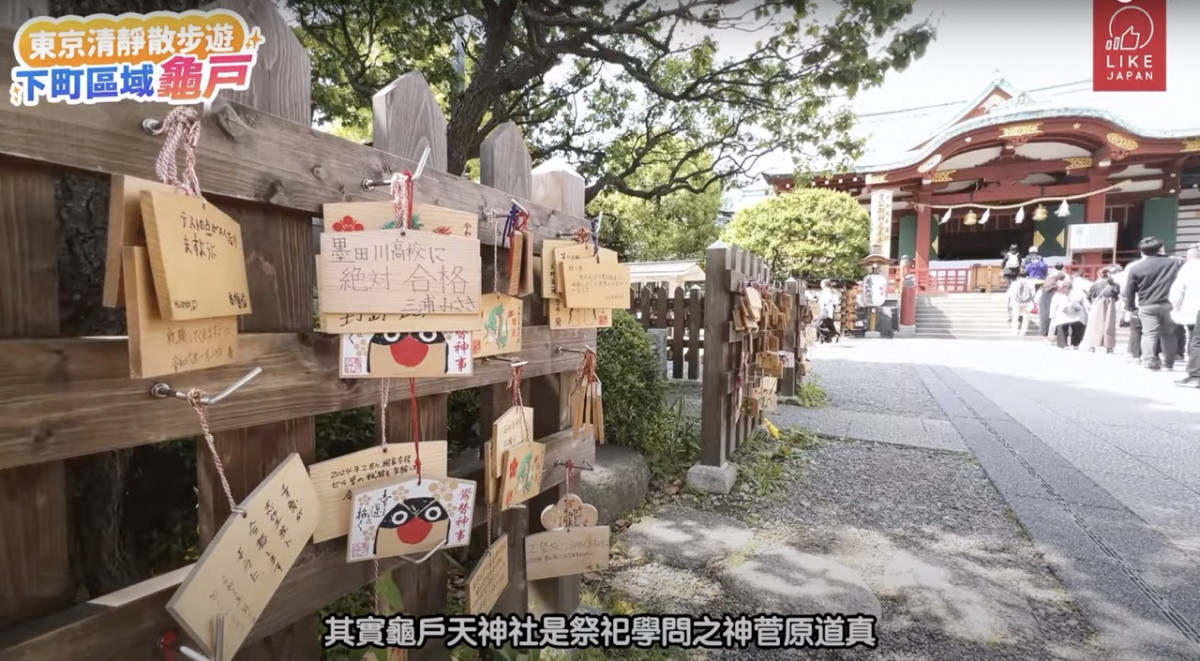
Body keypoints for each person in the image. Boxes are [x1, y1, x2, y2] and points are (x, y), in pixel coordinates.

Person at [1123, 236, 1183, 371]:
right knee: (1168, 334)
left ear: (1142, 251)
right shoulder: (1175, 263)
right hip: (1169, 304)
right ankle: (1168, 363)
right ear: (1161, 249)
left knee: (1149, 333)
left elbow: (1130, 290)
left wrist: (1130, 308)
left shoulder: (1136, 267)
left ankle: (1150, 360)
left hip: (1147, 305)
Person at [1171, 246, 1200, 387]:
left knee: (1196, 341)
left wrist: (1176, 308)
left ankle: (1195, 375)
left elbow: (1178, 290)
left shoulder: (1189, 267)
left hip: (1194, 309)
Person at [1082, 267, 1120, 353]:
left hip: (1098, 304)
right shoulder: (1115, 285)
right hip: (1111, 304)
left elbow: (1089, 296)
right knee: (1109, 325)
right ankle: (1109, 346)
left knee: (1095, 324)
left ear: (1099, 275)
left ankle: (1092, 345)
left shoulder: (1095, 284)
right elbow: (1117, 295)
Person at [1050, 276, 1089, 349]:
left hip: (1063, 314)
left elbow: (1054, 304)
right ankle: (1075, 344)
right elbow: (1085, 303)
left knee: (1062, 329)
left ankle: (1063, 344)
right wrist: (1087, 311)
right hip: (1077, 313)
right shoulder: (1080, 292)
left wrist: (1052, 314)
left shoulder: (1058, 293)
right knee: (1077, 329)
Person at [1037, 270, 1065, 344]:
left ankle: (1047, 338)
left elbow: (1037, 298)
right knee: (1054, 323)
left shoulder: (1044, 288)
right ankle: (1054, 338)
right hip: (1055, 308)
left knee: (1045, 322)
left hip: (1044, 307)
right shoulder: (1057, 288)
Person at [1007, 267, 1037, 336]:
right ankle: (1023, 332)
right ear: (1027, 275)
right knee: (1026, 317)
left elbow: (1010, 293)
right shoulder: (1031, 283)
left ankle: (1015, 332)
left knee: (1015, 317)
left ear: (1019, 276)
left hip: (1016, 302)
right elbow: (1033, 293)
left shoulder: (1015, 283)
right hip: (1027, 302)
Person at [816, 279, 840, 343]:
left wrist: (823, 305)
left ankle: (830, 335)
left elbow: (827, 300)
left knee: (817, 325)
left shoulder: (827, 291)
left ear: (824, 284)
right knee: (828, 325)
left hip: (825, 311)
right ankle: (830, 336)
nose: (820, 284)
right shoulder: (827, 291)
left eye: (821, 283)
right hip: (827, 312)